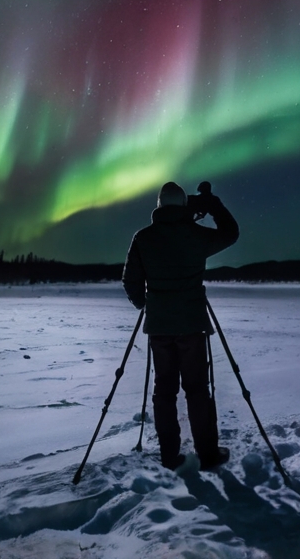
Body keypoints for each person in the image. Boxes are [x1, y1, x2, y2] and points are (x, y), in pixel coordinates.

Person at [122, 181, 239, 471]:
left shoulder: (143, 238)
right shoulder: (196, 235)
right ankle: (208, 455)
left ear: (159, 206)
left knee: (164, 392)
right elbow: (230, 233)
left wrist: (145, 303)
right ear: (185, 205)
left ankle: (169, 456)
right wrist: (212, 205)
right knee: (197, 390)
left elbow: (130, 279)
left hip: (159, 328)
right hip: (192, 326)